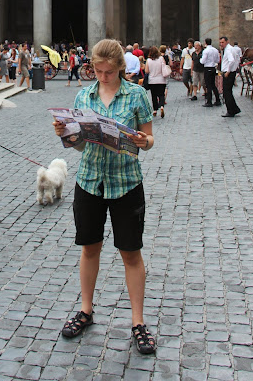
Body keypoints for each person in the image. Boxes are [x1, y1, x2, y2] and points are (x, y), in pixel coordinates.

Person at [52, 39, 156, 355]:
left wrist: (144, 140)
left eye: (108, 72)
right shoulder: (84, 96)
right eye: (98, 71)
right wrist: (67, 135)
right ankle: (86, 310)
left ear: (120, 68)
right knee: (89, 248)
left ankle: (138, 322)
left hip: (125, 182)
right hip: (90, 181)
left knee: (131, 253)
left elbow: (149, 138)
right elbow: (81, 145)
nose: (103, 77)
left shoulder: (137, 95)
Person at [219, 36, 241, 117]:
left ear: (227, 42)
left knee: (226, 92)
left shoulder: (228, 50)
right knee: (228, 92)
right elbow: (237, 59)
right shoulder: (231, 49)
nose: (221, 44)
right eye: (220, 42)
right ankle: (234, 109)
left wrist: (228, 71)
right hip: (231, 71)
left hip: (228, 73)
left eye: (223, 42)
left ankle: (231, 110)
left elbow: (231, 61)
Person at [145, 46, 167, 118]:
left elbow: (146, 71)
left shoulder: (148, 60)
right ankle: (161, 106)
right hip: (161, 79)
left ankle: (155, 110)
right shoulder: (161, 58)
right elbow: (164, 67)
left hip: (152, 80)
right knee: (161, 94)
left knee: (153, 96)